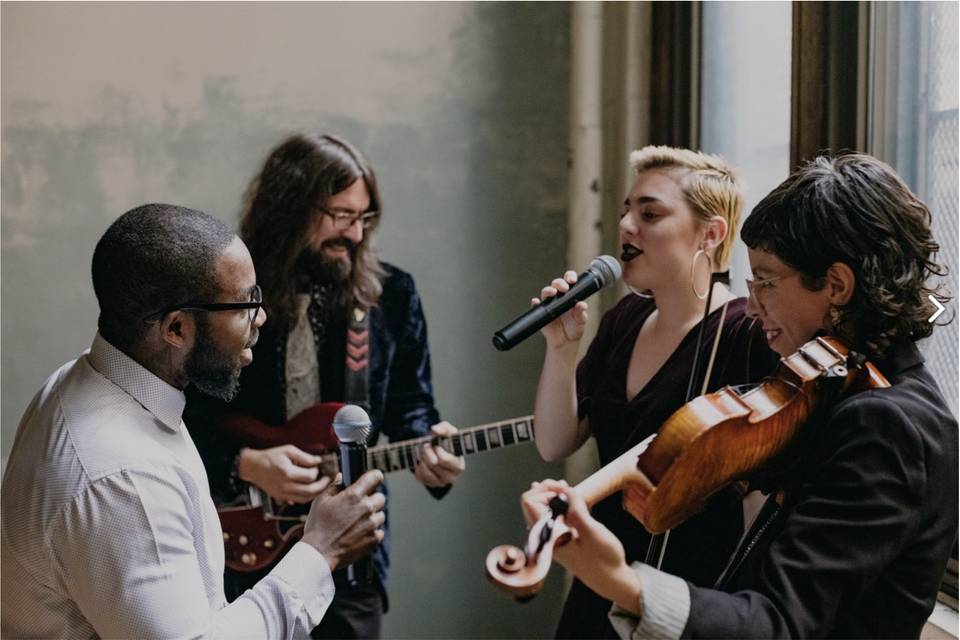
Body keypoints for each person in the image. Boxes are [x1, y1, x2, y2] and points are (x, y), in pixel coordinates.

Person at [522, 152, 958, 638]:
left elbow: (782, 623)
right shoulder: (835, 388)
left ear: (836, 285)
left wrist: (620, 580)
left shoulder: (887, 424)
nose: (752, 304)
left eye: (767, 282)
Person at [1, 204, 387, 639]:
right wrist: (319, 550)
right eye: (245, 304)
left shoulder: (80, 381)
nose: (261, 317)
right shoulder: (124, 482)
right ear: (177, 329)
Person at [185, 133, 465, 639]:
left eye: (364, 218)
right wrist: (244, 464)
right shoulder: (227, 295)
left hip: (352, 559)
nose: (355, 234)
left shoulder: (392, 296)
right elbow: (184, 419)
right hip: (235, 552)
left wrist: (432, 454)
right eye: (341, 216)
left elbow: (411, 407)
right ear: (290, 208)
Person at [532, 146, 778, 638]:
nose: (626, 224)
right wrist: (561, 349)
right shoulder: (624, 320)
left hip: (687, 599)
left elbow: (758, 504)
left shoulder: (744, 335)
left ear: (711, 234)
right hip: (600, 580)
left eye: (650, 212)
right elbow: (554, 443)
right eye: (626, 210)